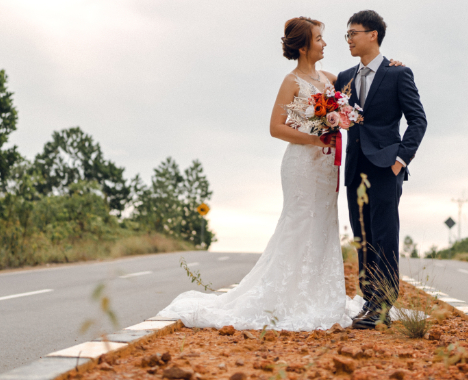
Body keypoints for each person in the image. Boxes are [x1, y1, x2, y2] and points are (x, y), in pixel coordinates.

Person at [158, 16, 405, 330]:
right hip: (302, 164)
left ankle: (317, 295)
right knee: (299, 221)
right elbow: (276, 128)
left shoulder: (332, 79)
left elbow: (362, 89)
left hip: (328, 166)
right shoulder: (291, 82)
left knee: (323, 225)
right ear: (304, 47)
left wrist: (389, 64)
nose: (326, 43)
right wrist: (314, 137)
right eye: (319, 39)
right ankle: (283, 296)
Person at [337, 9, 427, 329]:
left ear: (372, 35)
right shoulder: (343, 78)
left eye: (353, 33)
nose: (348, 39)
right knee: (363, 238)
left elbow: (418, 120)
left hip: (386, 167)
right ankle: (369, 299)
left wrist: (400, 160)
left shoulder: (398, 74)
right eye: (347, 34)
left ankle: (384, 304)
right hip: (354, 169)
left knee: (385, 235)